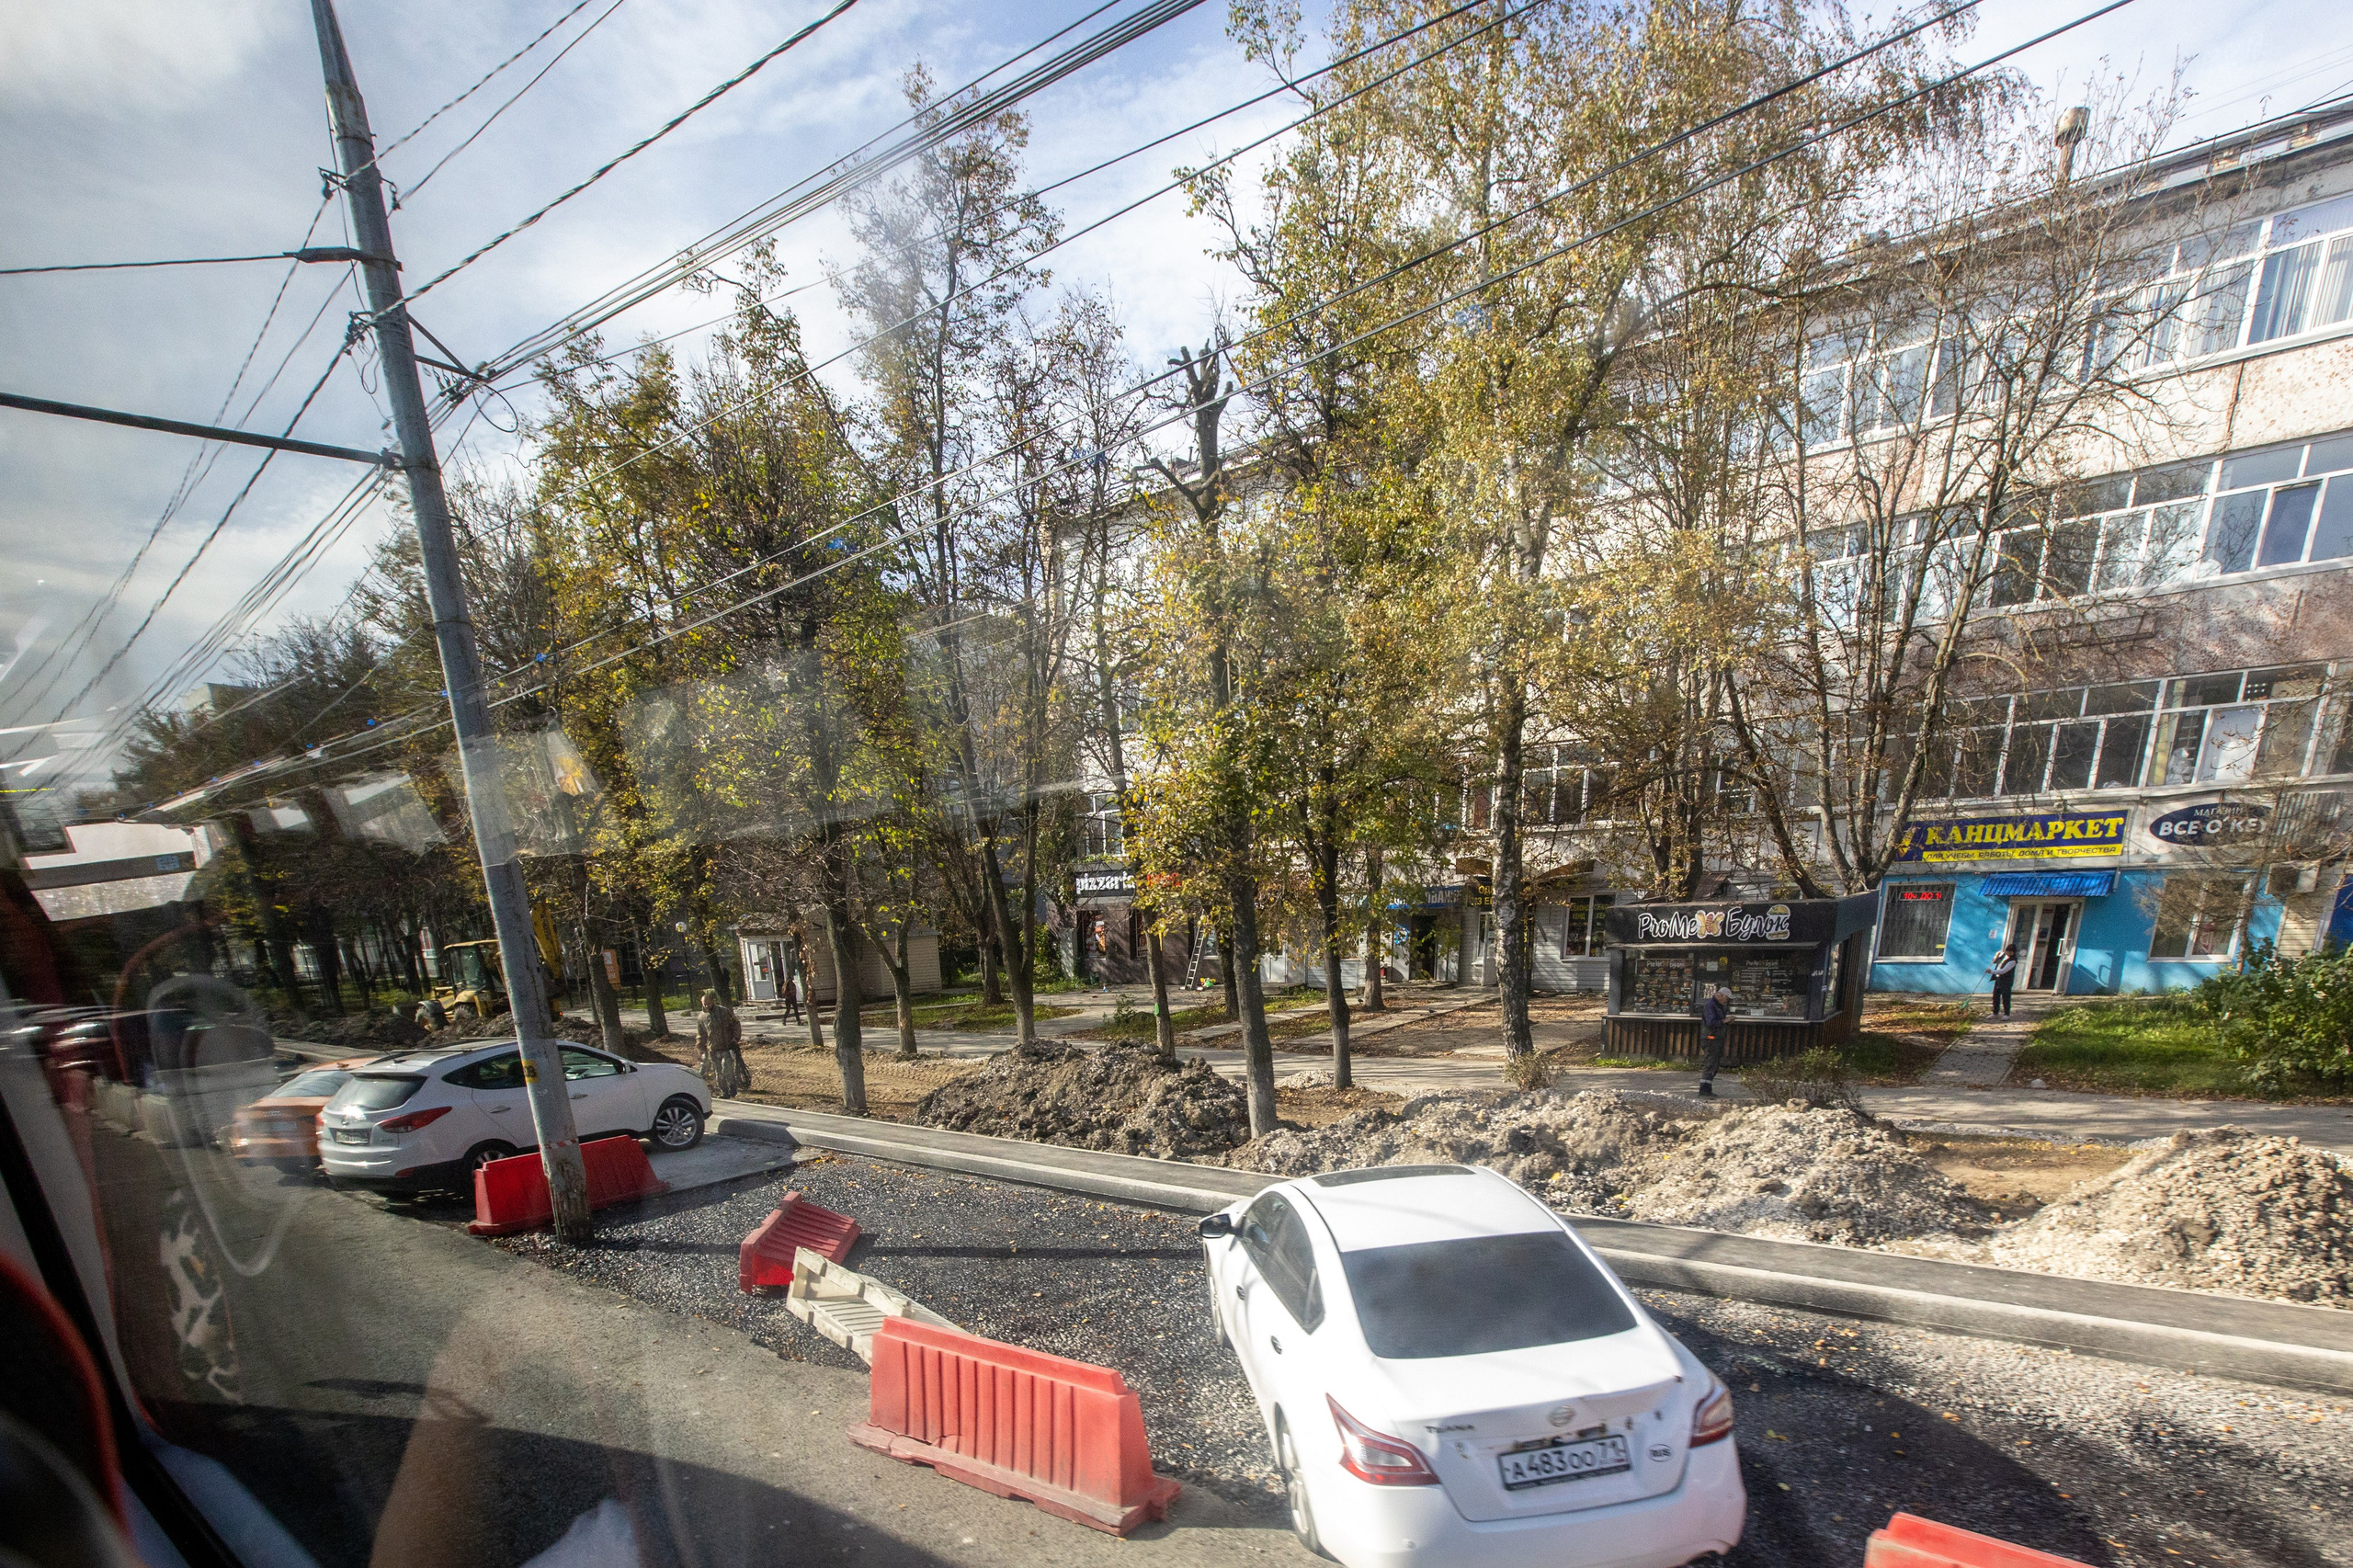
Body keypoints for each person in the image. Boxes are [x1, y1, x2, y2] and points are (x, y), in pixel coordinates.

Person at [696, 991, 747, 1099]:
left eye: (709, 1003)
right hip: (713, 1049)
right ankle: (724, 1092)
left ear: (713, 1001)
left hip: (727, 1047)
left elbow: (735, 1024)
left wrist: (735, 1038)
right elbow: (701, 1034)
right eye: (705, 1004)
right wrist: (701, 1047)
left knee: (727, 1070)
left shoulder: (724, 1012)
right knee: (718, 1072)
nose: (707, 1006)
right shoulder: (701, 1017)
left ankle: (732, 1087)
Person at [1697, 984, 1732, 1097]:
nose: (1727, 1001)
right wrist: (1724, 1021)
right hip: (1711, 1038)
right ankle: (1704, 1091)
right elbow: (1710, 1022)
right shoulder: (1711, 1005)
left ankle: (1707, 1090)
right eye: (1726, 998)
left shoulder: (1718, 1006)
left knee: (1713, 1065)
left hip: (1715, 1038)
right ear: (1720, 995)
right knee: (1710, 1064)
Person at [1986, 942, 2018, 1017]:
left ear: (2014, 952)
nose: (2009, 953)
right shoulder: (2003, 956)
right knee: (1995, 996)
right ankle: (1995, 1012)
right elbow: (1995, 962)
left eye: (2011, 952)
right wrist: (1996, 956)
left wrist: (1991, 971)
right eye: (2008, 951)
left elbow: (2003, 971)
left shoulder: (2013, 961)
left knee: (2005, 997)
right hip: (1998, 979)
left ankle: (2006, 1014)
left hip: (2006, 980)